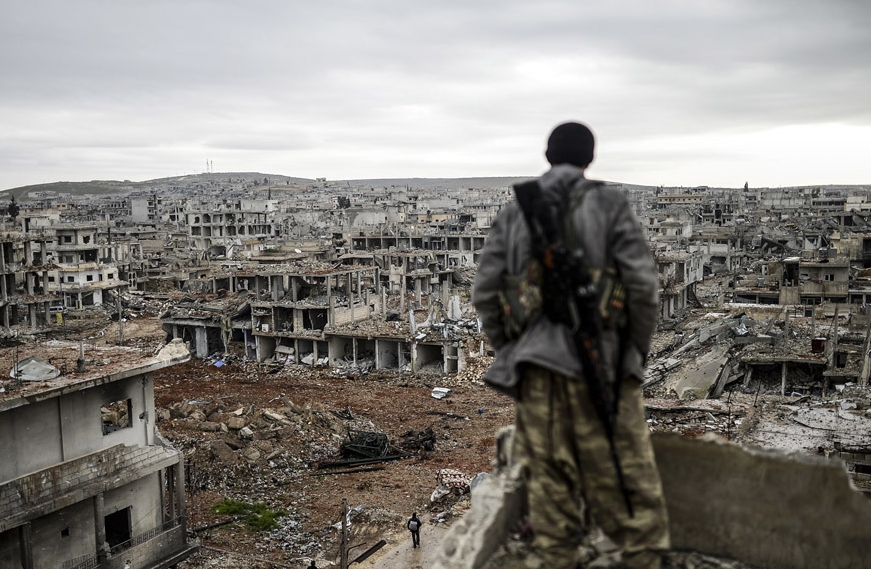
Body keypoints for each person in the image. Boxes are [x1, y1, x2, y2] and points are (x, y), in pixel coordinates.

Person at [472, 122, 670, 569]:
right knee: (628, 484)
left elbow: (485, 293)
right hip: (604, 366)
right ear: (590, 159)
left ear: (547, 156)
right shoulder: (610, 205)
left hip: (538, 372)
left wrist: (514, 350)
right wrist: (633, 355)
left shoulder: (515, 212)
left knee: (551, 491)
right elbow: (643, 288)